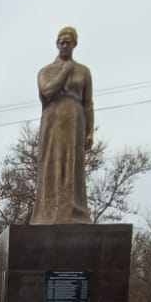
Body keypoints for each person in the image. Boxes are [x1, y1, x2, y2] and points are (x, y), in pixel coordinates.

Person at [31, 26, 94, 225]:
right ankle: (47, 212)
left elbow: (88, 103)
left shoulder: (84, 72)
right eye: (62, 42)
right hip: (53, 118)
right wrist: (65, 70)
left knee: (72, 164)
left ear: (74, 44)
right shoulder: (46, 71)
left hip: (75, 119)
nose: (65, 45)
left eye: (69, 42)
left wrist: (90, 131)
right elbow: (47, 91)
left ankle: (72, 212)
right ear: (57, 44)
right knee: (51, 162)